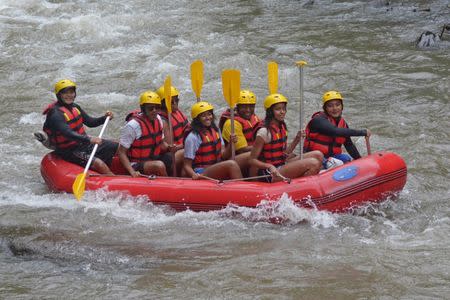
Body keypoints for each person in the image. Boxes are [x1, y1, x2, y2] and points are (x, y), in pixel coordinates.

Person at [43, 79, 118, 174]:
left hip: (83, 144)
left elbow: (90, 122)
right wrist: (89, 139)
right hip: (68, 151)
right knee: (99, 164)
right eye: (65, 93)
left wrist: (105, 118)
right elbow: (67, 133)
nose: (69, 95)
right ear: (59, 95)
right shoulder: (55, 114)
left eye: (71, 92)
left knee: (114, 146)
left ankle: (106, 171)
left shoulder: (75, 107)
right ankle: (111, 177)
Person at [249, 93, 322, 183]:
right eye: (278, 109)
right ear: (270, 111)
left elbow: (284, 154)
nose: (282, 112)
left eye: (283, 108)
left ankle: (297, 184)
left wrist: (297, 139)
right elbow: (252, 160)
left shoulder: (281, 126)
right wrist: (269, 166)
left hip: (281, 164)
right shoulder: (264, 132)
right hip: (269, 172)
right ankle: (299, 187)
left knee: (318, 155)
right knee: (314, 163)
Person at [303, 90, 371, 168]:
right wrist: (362, 132)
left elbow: (349, 145)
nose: (335, 108)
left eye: (337, 105)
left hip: (332, 158)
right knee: (335, 163)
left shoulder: (343, 124)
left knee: (346, 158)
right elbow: (334, 131)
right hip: (314, 158)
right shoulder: (318, 120)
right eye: (330, 106)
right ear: (325, 108)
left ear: (342, 106)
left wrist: (360, 160)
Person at [117, 91, 175, 178]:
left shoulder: (158, 119)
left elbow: (161, 143)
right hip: (136, 163)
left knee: (176, 156)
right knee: (159, 165)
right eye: (151, 108)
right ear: (143, 109)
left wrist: (170, 147)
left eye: (157, 108)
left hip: (153, 158)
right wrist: (132, 172)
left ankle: (179, 178)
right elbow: (121, 152)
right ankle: (169, 184)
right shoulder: (132, 126)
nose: (154, 111)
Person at [183, 101, 243, 180]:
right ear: (197, 119)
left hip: (216, 165)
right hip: (201, 171)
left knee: (245, 158)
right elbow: (187, 165)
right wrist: (194, 175)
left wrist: (231, 143)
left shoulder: (216, 130)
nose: (208, 117)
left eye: (209, 114)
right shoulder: (193, 137)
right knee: (231, 164)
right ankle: (241, 188)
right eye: (203, 116)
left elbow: (224, 155)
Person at [156, 84, 189, 175]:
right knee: (187, 151)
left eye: (176, 100)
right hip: (167, 157)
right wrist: (189, 144)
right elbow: (169, 147)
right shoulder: (162, 121)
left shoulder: (176, 113)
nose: (175, 103)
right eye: (171, 101)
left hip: (180, 149)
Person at [220, 90, 262, 154]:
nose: (248, 110)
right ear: (237, 108)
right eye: (244, 107)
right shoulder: (232, 123)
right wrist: (264, 146)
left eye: (251, 107)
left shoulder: (254, 118)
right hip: (237, 156)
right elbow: (241, 150)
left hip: (253, 151)